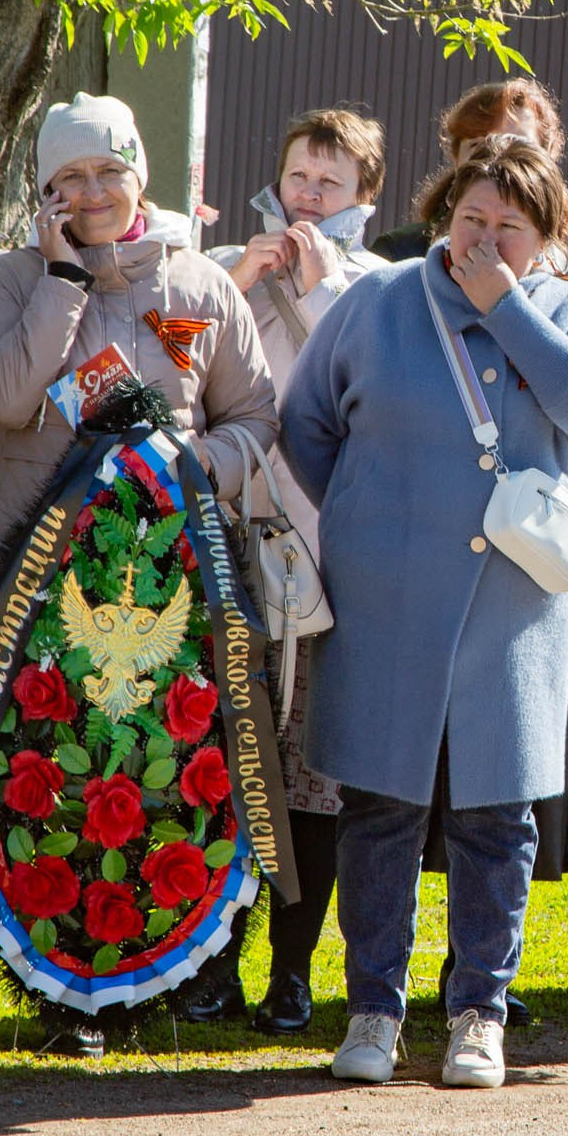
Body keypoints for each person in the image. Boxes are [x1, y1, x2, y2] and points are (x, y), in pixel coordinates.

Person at [282, 138, 568, 1087]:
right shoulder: (379, 301)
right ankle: (372, 1009)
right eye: (469, 219)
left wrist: (507, 309)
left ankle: (480, 1010)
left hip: (512, 608)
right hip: (385, 598)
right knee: (380, 808)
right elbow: (308, 423)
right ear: (442, 214)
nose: (482, 240)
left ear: (545, 236)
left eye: (507, 228)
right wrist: (367, 517)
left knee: (496, 815)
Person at [0, 93, 277, 1053]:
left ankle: (181, 973)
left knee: (177, 772)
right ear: (45, 190)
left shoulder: (201, 286)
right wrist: (62, 278)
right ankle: (68, 995)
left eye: (109, 171)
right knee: (52, 776)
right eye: (70, 178)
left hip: (179, 577)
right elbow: (8, 397)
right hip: (44, 590)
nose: (93, 193)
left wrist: (189, 467)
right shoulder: (10, 281)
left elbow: (256, 417)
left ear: (141, 173)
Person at [194, 105, 390, 1035]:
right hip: (230, 541)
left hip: (324, 558)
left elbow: (365, 396)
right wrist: (234, 282)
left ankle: (294, 970)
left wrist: (312, 292)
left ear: (364, 196)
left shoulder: (378, 283)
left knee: (311, 777)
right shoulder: (230, 262)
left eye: (331, 181)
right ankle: (211, 961)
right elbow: (182, 374)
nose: (310, 195)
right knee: (229, 763)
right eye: (299, 176)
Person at [368, 77, 568, 262]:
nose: (498, 157)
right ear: (456, 158)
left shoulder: (563, 272)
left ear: (547, 162)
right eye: (479, 145)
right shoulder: (400, 251)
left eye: (518, 144)